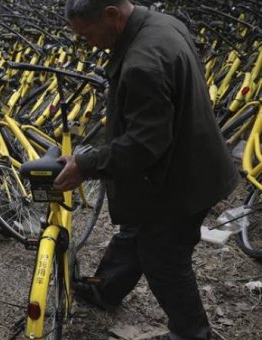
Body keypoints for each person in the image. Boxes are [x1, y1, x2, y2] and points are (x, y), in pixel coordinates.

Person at [55, 0, 239, 339]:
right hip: (190, 161)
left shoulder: (143, 62)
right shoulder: (161, 24)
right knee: (136, 231)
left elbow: (144, 145)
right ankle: (106, 288)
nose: (87, 44)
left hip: (182, 181)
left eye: (87, 35)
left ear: (111, 15)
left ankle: (192, 333)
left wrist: (86, 163)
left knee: (164, 260)